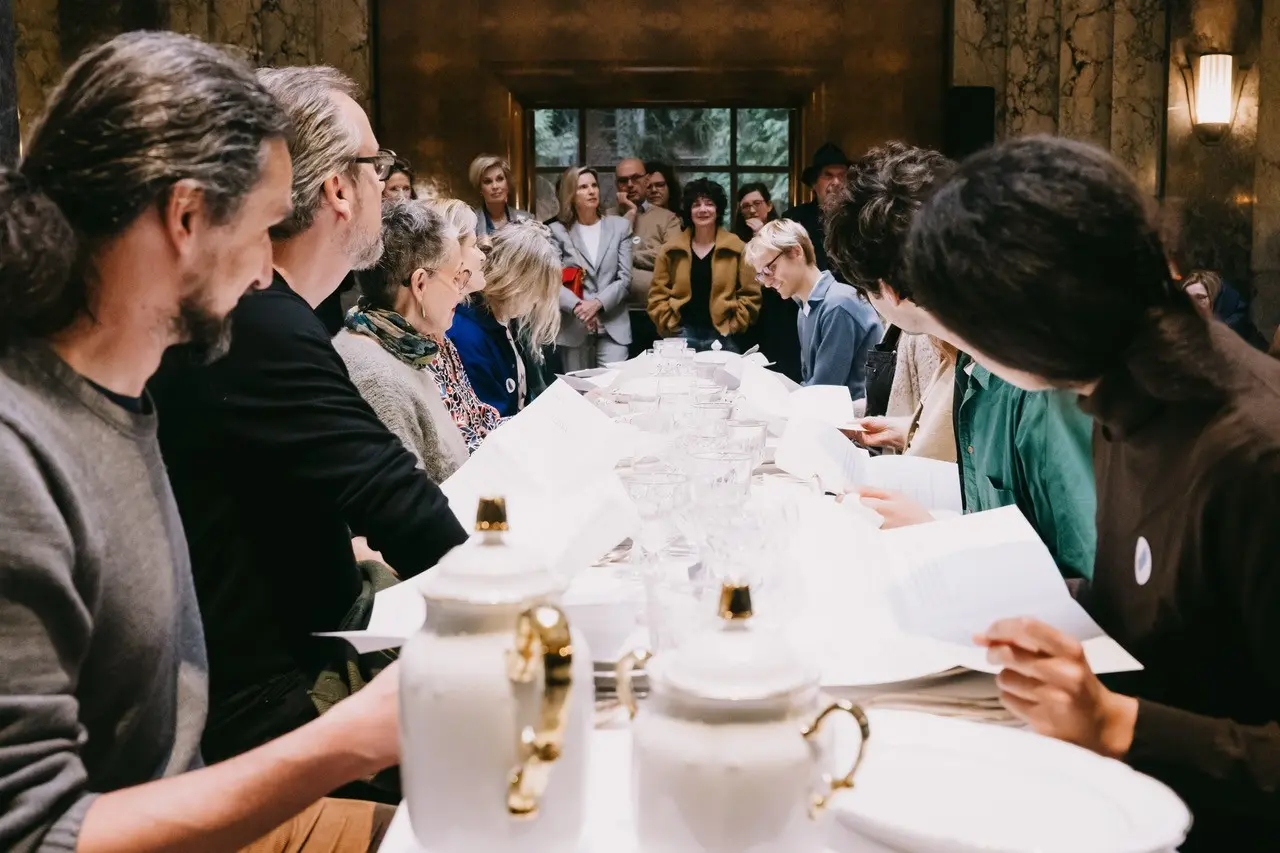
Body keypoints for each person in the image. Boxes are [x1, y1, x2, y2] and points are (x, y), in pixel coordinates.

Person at [0, 31, 402, 853]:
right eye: (261, 229)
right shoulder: (20, 451)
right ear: (185, 216)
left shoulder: (125, 393)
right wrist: (347, 740)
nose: (264, 272)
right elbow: (36, 833)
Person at [906, 135, 1280, 853]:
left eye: (966, 329)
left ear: (1030, 327)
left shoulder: (1253, 454)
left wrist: (1116, 722)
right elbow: (1157, 612)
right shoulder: (1119, 385)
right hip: (1124, 797)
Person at [150, 66, 469, 769]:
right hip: (279, 696)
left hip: (300, 646)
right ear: (337, 190)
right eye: (378, 166)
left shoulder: (283, 314)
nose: (387, 186)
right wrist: (519, 608)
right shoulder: (261, 320)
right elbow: (398, 501)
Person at [825, 141, 1096, 580]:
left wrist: (934, 535)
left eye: (865, 292)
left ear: (888, 291)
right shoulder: (969, 365)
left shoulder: (1039, 381)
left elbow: (1096, 581)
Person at [335, 200, 470, 481]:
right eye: (457, 276)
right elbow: (403, 499)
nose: (461, 291)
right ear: (420, 284)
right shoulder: (377, 377)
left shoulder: (403, 346)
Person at [745, 219, 882, 399]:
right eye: (762, 276)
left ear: (796, 251)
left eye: (770, 269)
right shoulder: (805, 308)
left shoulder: (838, 305)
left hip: (853, 414)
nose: (768, 283)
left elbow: (823, 391)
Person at [449, 220, 562, 416]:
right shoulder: (468, 334)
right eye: (537, 290)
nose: (538, 300)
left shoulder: (510, 320)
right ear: (515, 280)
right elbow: (489, 419)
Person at [423, 200, 506, 449]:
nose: (482, 255)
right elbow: (461, 445)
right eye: (473, 245)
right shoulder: (436, 336)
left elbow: (479, 421)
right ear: (450, 254)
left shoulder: (443, 336)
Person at [647, 178, 762, 353]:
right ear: (689, 210)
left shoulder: (737, 248)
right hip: (681, 335)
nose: (702, 209)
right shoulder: (670, 250)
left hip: (723, 335)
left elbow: (751, 294)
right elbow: (657, 295)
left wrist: (733, 326)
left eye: (709, 204)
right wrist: (670, 326)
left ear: (718, 210)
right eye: (696, 205)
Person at [548, 166, 633, 370]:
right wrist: (580, 307)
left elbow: (625, 279)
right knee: (578, 388)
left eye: (594, 185)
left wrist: (597, 304)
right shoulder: (556, 231)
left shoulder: (620, 226)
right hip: (574, 325)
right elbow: (551, 281)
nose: (591, 191)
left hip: (613, 325)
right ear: (571, 194)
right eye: (583, 187)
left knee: (613, 386)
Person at [614, 157, 681, 357]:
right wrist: (630, 214)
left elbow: (671, 257)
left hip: (656, 314)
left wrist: (625, 254)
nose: (630, 185)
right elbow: (600, 260)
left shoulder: (667, 218)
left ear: (646, 180)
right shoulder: (606, 218)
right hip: (615, 316)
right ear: (616, 185)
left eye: (635, 178)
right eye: (623, 180)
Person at [734, 183, 801, 381]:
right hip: (750, 310)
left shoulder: (783, 231)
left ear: (769, 205)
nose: (752, 209)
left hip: (778, 304)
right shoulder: (735, 238)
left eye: (757, 203)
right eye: (746, 206)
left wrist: (761, 233)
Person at [782, 142, 850, 272]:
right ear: (814, 183)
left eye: (842, 175)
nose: (836, 182)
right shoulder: (794, 220)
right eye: (828, 175)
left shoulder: (861, 218)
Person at [1181, 268, 1268, 348]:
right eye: (1188, 298)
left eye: (1200, 297)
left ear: (1215, 299)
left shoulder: (1238, 332)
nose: (1193, 303)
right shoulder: (1187, 334)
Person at [469, 153, 530, 235]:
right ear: (480, 189)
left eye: (500, 179)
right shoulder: (470, 223)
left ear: (508, 183)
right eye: (488, 181)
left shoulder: (527, 220)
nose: (495, 186)